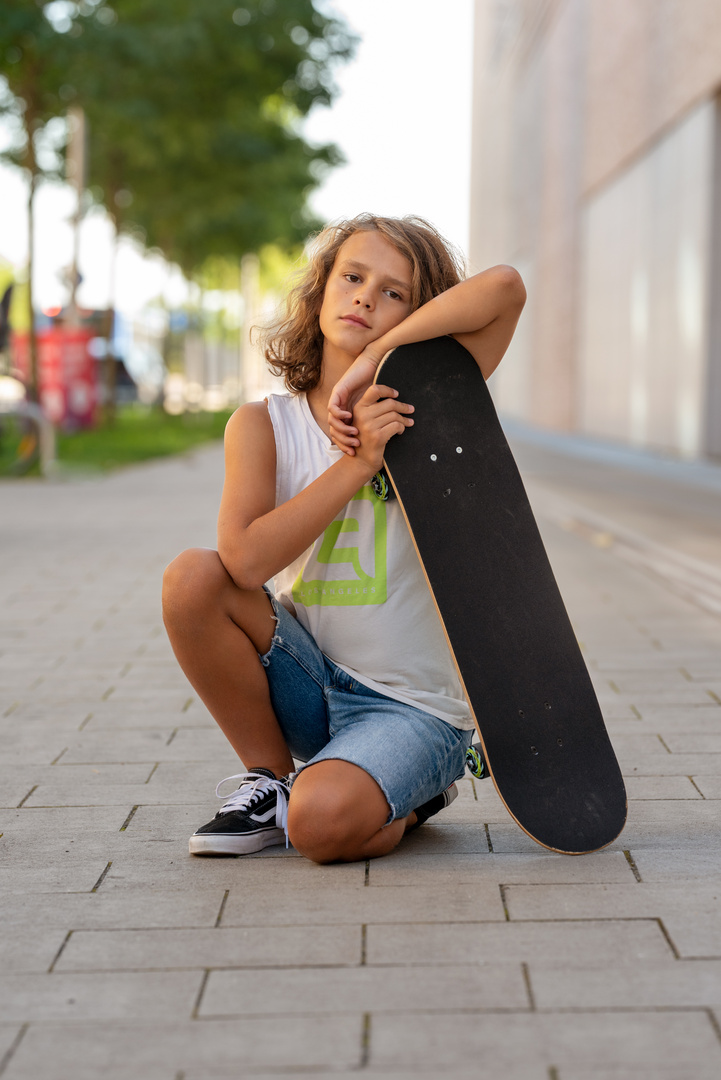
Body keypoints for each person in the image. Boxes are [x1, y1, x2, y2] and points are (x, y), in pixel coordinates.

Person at [162, 214, 525, 864]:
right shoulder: (263, 424)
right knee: (193, 577)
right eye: (352, 277)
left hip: (410, 709)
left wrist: (366, 367)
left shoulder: (433, 409)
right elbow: (243, 562)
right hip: (306, 679)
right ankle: (270, 783)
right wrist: (356, 465)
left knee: (322, 827)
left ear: (424, 314)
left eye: (394, 293)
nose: (365, 296)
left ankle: (413, 791)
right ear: (321, 289)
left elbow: (504, 288)